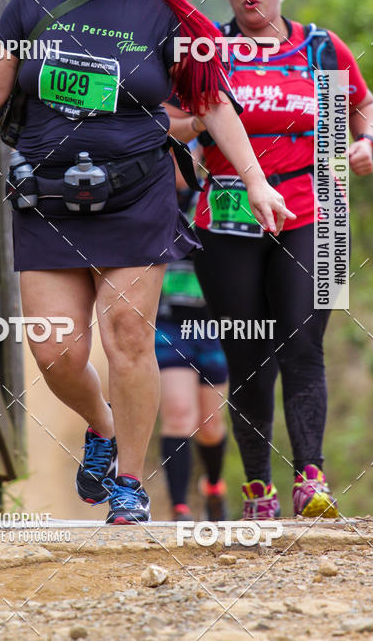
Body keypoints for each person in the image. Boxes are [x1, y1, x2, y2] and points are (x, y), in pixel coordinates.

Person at [0, 0, 291, 525]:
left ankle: (128, 482)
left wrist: (258, 182)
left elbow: (210, 103)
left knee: (127, 338)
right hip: (47, 197)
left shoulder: (161, 10)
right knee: (55, 351)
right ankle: (101, 426)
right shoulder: (33, 2)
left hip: (136, 195)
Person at [168, 0, 373, 519]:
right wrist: (197, 124)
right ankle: (258, 487)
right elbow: (171, 120)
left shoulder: (320, 48)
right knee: (248, 352)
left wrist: (366, 142)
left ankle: (311, 479)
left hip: (316, 211)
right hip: (228, 214)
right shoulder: (208, 50)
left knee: (303, 343)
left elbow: (361, 103)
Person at [156, 172, 229, 523]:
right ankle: (180, 510)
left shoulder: (222, 194)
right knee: (179, 413)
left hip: (213, 323)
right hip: (168, 321)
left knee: (211, 424)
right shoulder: (152, 191)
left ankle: (214, 487)